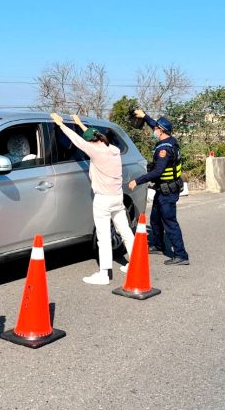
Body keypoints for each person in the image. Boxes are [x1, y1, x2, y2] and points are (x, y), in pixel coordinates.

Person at [51, 113, 135, 284]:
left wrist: (61, 124)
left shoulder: (95, 151)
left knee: (103, 237)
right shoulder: (114, 150)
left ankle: (105, 274)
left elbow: (76, 140)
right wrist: (80, 124)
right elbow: (93, 135)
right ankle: (136, 263)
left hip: (103, 200)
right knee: (125, 230)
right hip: (117, 197)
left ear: (91, 141)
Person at [127, 109, 189, 266]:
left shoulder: (164, 150)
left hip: (168, 191)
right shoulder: (171, 140)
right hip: (163, 190)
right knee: (155, 218)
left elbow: (157, 172)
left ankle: (181, 255)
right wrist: (144, 116)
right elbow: (155, 124)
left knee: (170, 222)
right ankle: (158, 245)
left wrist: (137, 181)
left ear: (161, 130)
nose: (153, 130)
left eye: (155, 129)